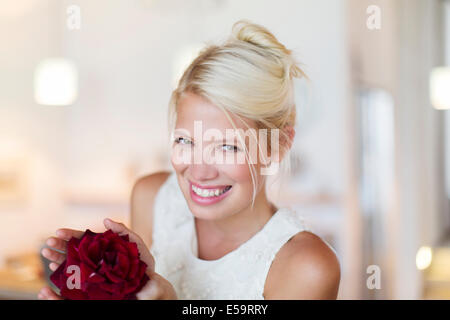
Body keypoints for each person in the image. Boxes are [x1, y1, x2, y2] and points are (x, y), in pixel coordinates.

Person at [38, 19, 340, 300]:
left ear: (278, 146)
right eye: (186, 141)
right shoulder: (151, 197)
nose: (198, 171)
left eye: (227, 147)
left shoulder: (306, 267)